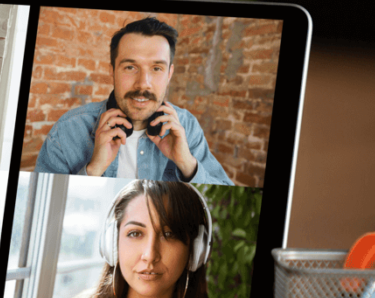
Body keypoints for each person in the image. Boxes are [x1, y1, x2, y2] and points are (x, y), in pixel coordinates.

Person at [34, 17, 234, 185]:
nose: (143, 84)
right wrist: (92, 171)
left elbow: (224, 201)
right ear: (112, 70)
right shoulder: (67, 131)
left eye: (156, 68)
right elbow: (39, 201)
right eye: (130, 67)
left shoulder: (187, 127)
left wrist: (188, 164)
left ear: (169, 74)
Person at [39, 180, 230, 298]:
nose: (150, 255)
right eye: (135, 233)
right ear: (113, 242)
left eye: (169, 234)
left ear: (196, 249)